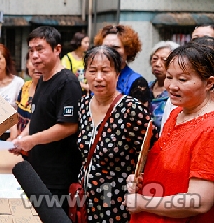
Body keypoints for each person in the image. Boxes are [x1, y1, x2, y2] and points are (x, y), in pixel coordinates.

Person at [126, 42, 214, 223]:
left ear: (209, 83)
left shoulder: (210, 128)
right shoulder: (177, 113)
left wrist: (143, 202)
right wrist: (144, 178)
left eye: (182, 79)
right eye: (169, 77)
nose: (171, 86)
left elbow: (198, 201)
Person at [77, 45, 155, 222]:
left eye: (105, 71)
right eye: (92, 71)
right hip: (86, 200)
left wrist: (139, 180)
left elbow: (153, 149)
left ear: (117, 74)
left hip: (117, 202)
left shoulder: (131, 109)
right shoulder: (82, 106)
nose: (98, 78)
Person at [11, 26, 82, 214]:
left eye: (40, 49)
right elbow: (37, 118)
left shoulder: (68, 82)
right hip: (38, 169)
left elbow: (68, 126)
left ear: (57, 49)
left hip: (58, 176)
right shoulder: (42, 79)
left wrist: (30, 141)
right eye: (31, 50)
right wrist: (21, 139)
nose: (34, 55)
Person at [94, 24, 151, 106]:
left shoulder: (138, 83)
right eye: (105, 47)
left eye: (115, 47)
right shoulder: (96, 78)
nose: (110, 52)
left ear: (128, 50)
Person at [148, 41, 178, 132]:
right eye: (154, 59)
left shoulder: (176, 92)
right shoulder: (144, 87)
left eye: (164, 60)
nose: (157, 64)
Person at [15, 53, 42, 138]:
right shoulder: (25, 86)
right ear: (27, 64)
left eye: (40, 63)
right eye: (33, 63)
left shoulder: (51, 90)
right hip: (20, 144)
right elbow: (17, 116)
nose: (37, 67)